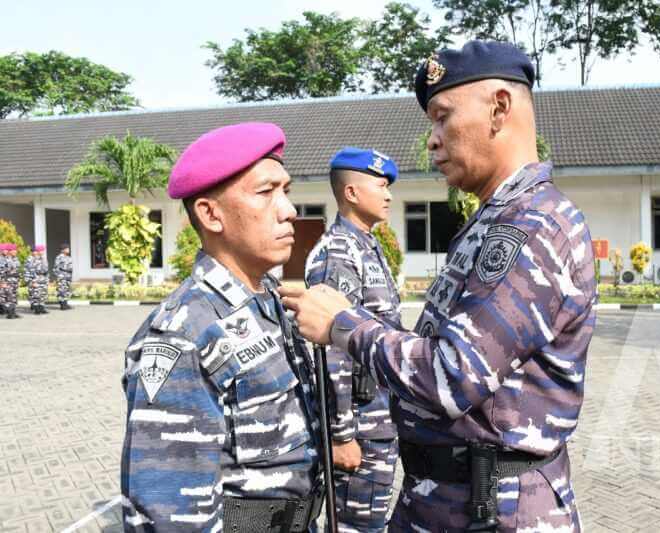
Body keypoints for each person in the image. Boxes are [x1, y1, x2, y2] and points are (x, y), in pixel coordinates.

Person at [280, 40, 597, 532]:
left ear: (499, 109)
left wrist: (342, 324)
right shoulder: (493, 222)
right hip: (450, 498)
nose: (432, 139)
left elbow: (451, 375)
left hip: (496, 509)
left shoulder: (532, 226)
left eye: (442, 116)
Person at [120, 122, 324, 532]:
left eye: (286, 191)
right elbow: (171, 512)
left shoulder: (269, 300)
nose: (288, 210)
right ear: (211, 215)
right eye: (266, 193)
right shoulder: (183, 335)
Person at [305, 147, 401, 533]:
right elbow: (331, 349)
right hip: (359, 427)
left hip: (379, 419)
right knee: (356, 527)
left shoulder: (367, 246)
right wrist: (341, 435)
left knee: (371, 524)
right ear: (352, 193)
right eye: (381, 185)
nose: (389, 194)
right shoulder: (339, 253)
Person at [24, 245, 49, 314]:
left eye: (42, 251)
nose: (42, 252)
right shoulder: (33, 259)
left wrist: (47, 279)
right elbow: (30, 271)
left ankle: (42, 307)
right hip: (36, 278)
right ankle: (37, 309)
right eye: (40, 251)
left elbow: (46, 271)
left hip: (43, 279)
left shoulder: (44, 259)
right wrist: (32, 281)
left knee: (43, 294)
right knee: (36, 294)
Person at [3, 244, 21, 319]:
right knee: (9, 297)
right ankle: (10, 313)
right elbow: (1, 272)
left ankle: (13, 311)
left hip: (15, 281)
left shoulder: (15, 259)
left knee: (14, 297)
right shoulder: (4, 260)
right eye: (14, 250)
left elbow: (17, 270)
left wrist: (19, 280)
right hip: (8, 281)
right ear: (10, 251)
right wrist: (2, 282)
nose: (15, 252)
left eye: (15, 250)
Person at [54, 243, 73, 310]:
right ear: (63, 250)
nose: (68, 250)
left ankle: (65, 303)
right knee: (61, 290)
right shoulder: (59, 257)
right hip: (62, 276)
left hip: (68, 276)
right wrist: (59, 276)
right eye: (67, 248)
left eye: (68, 248)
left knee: (67, 290)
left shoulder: (68, 257)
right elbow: (56, 268)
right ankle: (62, 305)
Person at [0, 243, 8, 316]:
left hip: (6, 279)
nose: (6, 251)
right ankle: (2, 309)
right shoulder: (1, 259)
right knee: (1, 295)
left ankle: (3, 309)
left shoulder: (6, 258)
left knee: (4, 295)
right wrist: (1, 282)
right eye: (5, 250)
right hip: (2, 280)